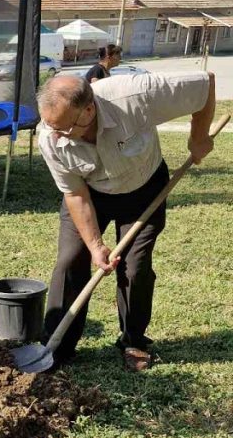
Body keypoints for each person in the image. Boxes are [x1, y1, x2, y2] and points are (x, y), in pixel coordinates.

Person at [36, 70, 215, 371]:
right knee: (70, 260)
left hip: (144, 190)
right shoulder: (50, 137)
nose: (56, 135)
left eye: (65, 128)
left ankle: (133, 340)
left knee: (135, 267)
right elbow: (76, 195)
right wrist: (95, 246)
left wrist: (198, 137)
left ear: (88, 110)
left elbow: (204, 84)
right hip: (90, 195)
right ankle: (57, 343)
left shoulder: (136, 95)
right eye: (51, 126)